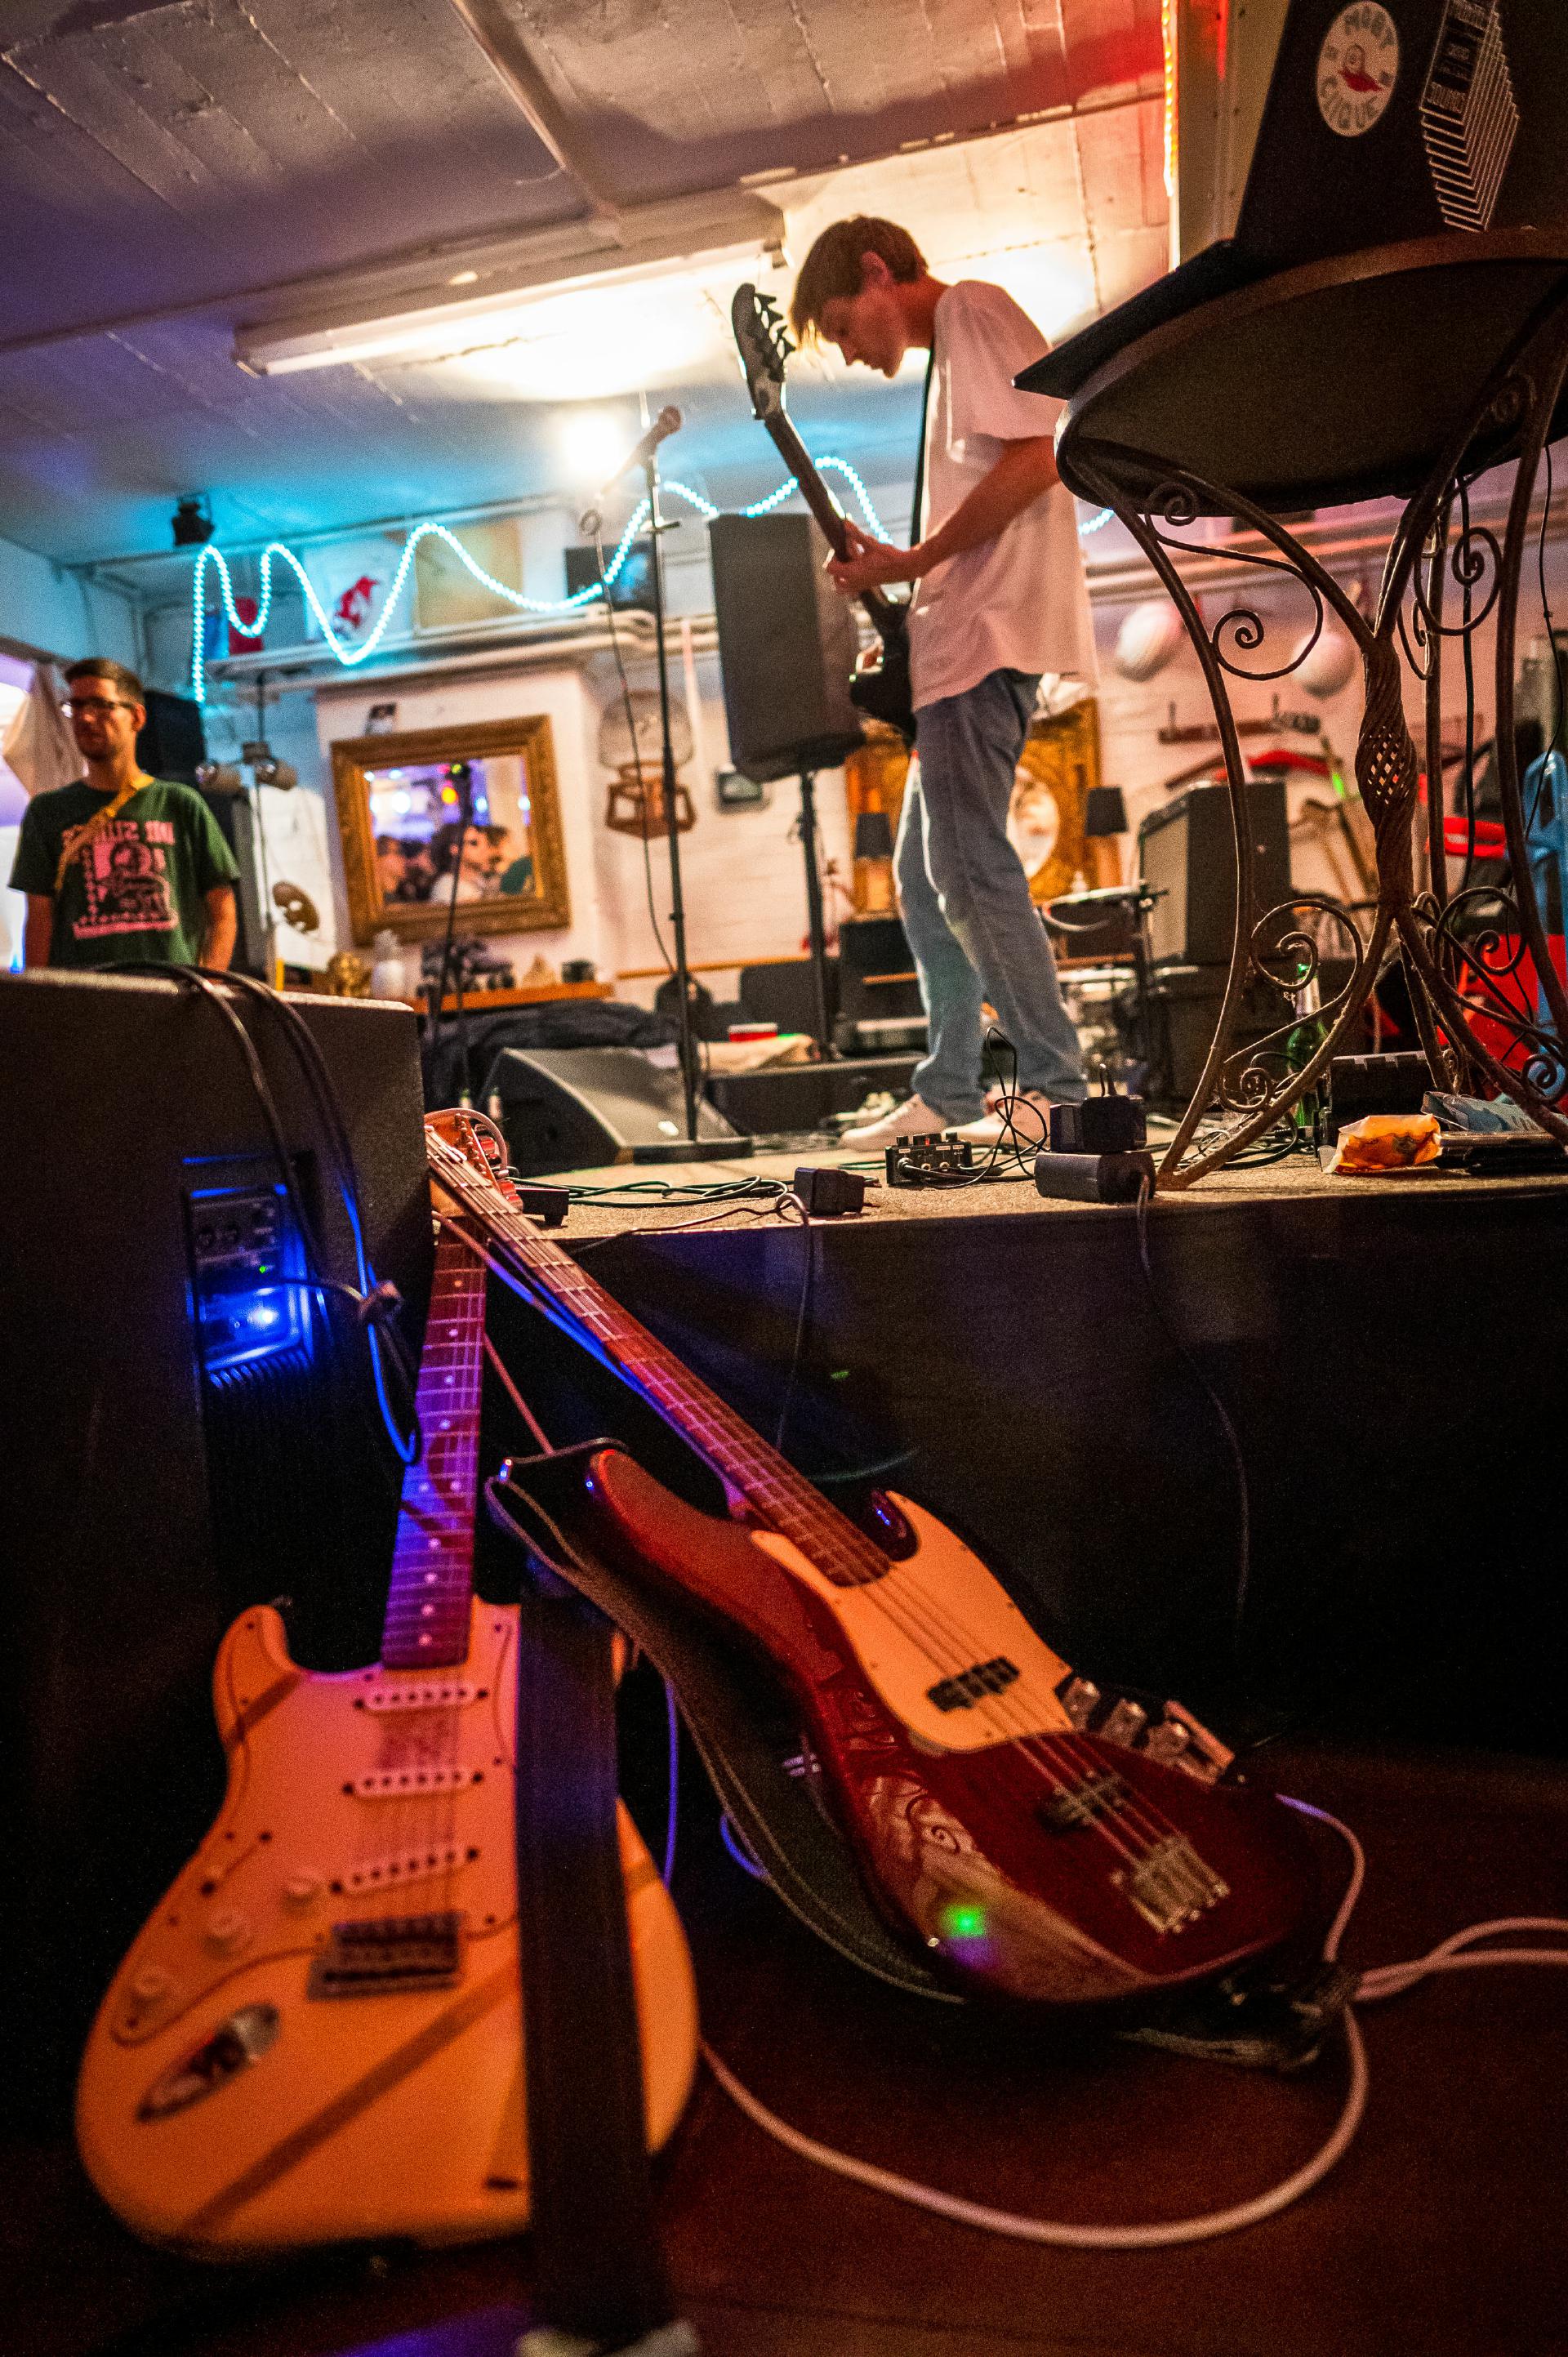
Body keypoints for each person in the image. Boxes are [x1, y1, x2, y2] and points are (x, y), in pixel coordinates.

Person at [789, 216, 1093, 1147]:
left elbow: (1041, 453)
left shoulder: (971, 309)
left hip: (986, 650)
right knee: (925, 885)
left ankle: (1058, 1090)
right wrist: (916, 609)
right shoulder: (950, 355)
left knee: (966, 871)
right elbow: (996, 484)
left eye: (842, 325)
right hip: (959, 653)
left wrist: (915, 561)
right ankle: (953, 1090)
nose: (848, 351)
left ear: (877, 270)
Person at [10, 657, 238, 971]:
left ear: (137, 717)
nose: (85, 717)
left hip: (173, 993)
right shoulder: (47, 811)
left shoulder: (181, 804)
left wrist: (209, 986)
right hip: (85, 994)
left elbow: (223, 911)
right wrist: (41, 995)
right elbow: (39, 918)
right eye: (76, 705)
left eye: (101, 705)